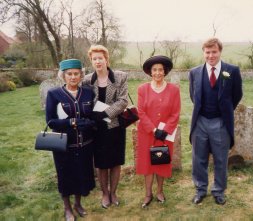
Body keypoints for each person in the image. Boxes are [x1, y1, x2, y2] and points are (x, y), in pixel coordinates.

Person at [189, 37, 243, 205]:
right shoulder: (194, 72)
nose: (211, 55)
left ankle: (219, 191)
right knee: (199, 159)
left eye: (214, 52)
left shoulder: (232, 71)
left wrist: (225, 110)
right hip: (200, 121)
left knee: (220, 159)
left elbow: (237, 95)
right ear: (203, 53)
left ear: (220, 52)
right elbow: (193, 96)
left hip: (220, 122)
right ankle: (200, 189)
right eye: (207, 52)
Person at [45, 59, 96, 221]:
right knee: (65, 176)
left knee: (81, 175)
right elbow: (50, 121)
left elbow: (94, 115)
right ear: (63, 75)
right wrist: (71, 122)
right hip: (64, 145)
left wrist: (90, 123)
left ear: (81, 75)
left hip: (85, 145)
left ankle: (78, 204)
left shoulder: (88, 93)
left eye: (76, 74)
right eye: (69, 74)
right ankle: (67, 208)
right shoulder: (54, 94)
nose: (73, 77)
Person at [83, 45, 128, 208]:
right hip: (96, 128)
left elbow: (123, 101)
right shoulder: (87, 80)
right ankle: (105, 194)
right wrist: (93, 115)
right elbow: (84, 102)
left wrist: (106, 113)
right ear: (91, 61)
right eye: (94, 59)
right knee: (101, 163)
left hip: (115, 125)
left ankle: (114, 192)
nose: (97, 61)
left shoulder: (120, 77)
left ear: (106, 59)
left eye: (100, 58)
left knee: (115, 162)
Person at [136, 55, 181, 208]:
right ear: (150, 72)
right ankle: (148, 194)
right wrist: (153, 129)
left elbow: (176, 113)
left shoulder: (174, 90)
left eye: (160, 69)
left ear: (165, 71)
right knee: (148, 163)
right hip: (147, 133)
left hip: (165, 135)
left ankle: (160, 191)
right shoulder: (143, 89)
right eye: (154, 70)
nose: (157, 73)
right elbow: (141, 112)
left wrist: (165, 130)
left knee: (161, 161)